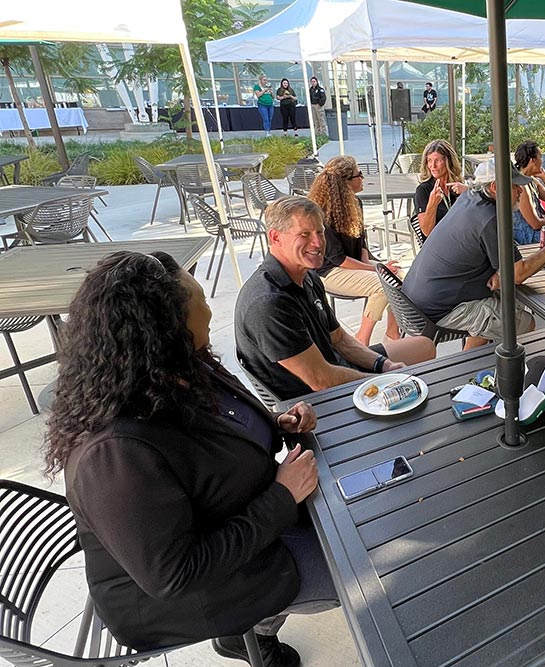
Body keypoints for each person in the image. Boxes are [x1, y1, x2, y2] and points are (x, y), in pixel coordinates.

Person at [45, 251, 338, 667]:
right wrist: (281, 497)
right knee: (355, 565)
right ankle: (249, 629)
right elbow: (176, 575)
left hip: (238, 516)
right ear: (165, 328)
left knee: (354, 513)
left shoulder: (178, 367)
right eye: (198, 301)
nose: (208, 307)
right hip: (180, 594)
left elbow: (216, 440)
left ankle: (255, 627)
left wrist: (277, 423)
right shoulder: (114, 455)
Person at [235, 196, 435, 402]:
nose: (318, 243)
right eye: (304, 234)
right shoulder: (268, 302)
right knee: (412, 393)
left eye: (320, 232)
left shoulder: (309, 276)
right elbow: (321, 380)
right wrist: (381, 381)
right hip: (316, 400)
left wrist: (384, 365)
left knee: (424, 346)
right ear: (275, 238)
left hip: (334, 364)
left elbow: (338, 338)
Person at [402, 159, 545, 350]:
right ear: (496, 187)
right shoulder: (491, 218)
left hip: (415, 297)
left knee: (500, 308)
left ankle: (470, 365)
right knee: (524, 322)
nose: (520, 191)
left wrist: (498, 271)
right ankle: (503, 373)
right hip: (438, 309)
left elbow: (478, 251)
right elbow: (518, 274)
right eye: (515, 187)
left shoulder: (468, 198)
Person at [308, 156, 402, 347]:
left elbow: (362, 245)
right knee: (382, 285)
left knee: (398, 276)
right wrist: (376, 270)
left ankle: (393, 336)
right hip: (329, 271)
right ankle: (362, 339)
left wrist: (371, 265)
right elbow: (338, 259)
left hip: (351, 265)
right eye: (359, 174)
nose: (363, 177)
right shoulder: (324, 213)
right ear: (346, 183)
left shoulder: (355, 203)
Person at [414, 139, 467, 238]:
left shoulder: (457, 188)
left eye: (437, 160)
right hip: (438, 248)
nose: (432, 166)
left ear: (449, 162)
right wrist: (432, 203)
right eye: (429, 160)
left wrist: (468, 192)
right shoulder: (423, 190)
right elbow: (427, 232)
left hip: (459, 243)